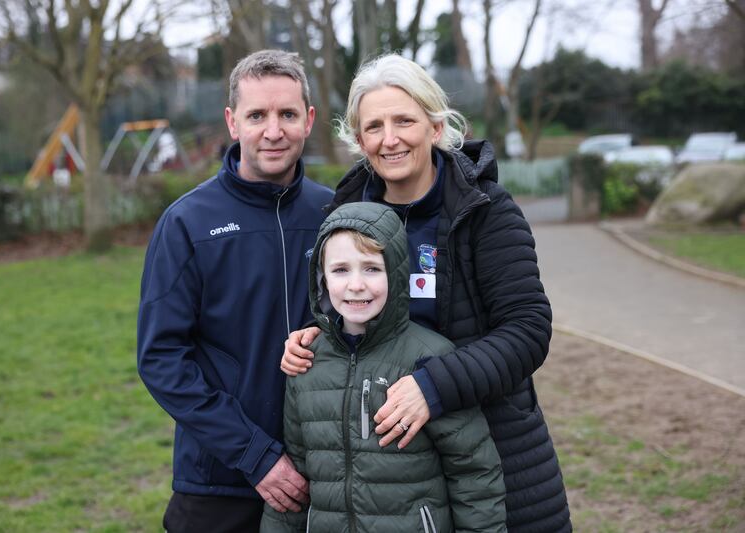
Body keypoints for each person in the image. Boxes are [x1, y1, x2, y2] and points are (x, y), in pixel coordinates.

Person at [281, 54, 571, 532]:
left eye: (404, 121)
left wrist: (431, 388)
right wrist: (313, 337)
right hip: (391, 479)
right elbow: (341, 308)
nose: (389, 139)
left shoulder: (485, 211)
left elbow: (527, 331)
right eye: (373, 126)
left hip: (493, 454)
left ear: (436, 127)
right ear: (359, 139)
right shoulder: (348, 210)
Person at [137, 50, 333, 533]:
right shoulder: (186, 222)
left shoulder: (336, 213)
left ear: (308, 120)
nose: (273, 130)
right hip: (219, 479)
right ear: (232, 122)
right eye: (257, 115)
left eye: (287, 114)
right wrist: (254, 455)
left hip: (325, 472)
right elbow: (162, 357)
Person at [261, 201, 506, 532]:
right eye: (340, 270)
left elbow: (474, 472)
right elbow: (298, 473)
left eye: (372, 268)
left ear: (397, 272)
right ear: (321, 279)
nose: (356, 284)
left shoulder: (431, 358)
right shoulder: (307, 361)